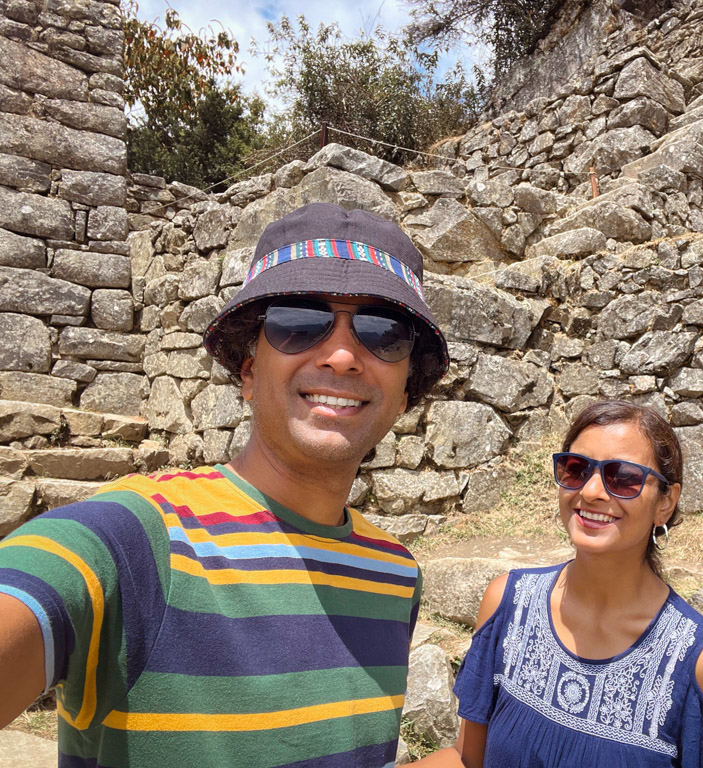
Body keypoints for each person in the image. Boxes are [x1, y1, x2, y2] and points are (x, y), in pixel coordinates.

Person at [0, 203, 450, 767]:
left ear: (408, 388)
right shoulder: (135, 543)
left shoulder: (396, 575)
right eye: (297, 322)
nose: (340, 356)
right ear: (248, 369)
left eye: (384, 333)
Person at [416, 400, 703, 768]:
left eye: (624, 478)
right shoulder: (508, 604)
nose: (592, 491)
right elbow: (467, 758)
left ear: (666, 502)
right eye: (576, 469)